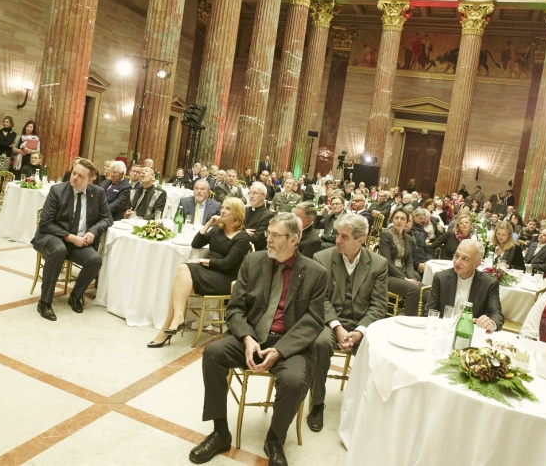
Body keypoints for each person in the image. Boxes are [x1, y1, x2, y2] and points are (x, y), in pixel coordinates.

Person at [188, 213, 327, 466]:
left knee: (295, 380)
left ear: (294, 240)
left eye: (276, 235)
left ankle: (274, 439)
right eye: (268, 233)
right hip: (251, 336)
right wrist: (248, 338)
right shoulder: (253, 261)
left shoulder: (315, 272)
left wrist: (280, 351)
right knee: (213, 353)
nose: (269, 240)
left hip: (289, 343)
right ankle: (220, 432)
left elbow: (314, 321)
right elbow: (235, 309)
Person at [307, 213, 388, 432]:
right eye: (337, 234)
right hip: (329, 322)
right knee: (320, 343)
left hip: (362, 323)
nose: (338, 240)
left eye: (345, 236)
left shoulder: (378, 264)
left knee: (379, 350)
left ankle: (367, 406)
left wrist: (360, 331)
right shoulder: (322, 259)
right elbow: (319, 300)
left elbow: (379, 305)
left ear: (360, 239)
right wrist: (337, 327)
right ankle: (316, 403)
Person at [148, 198, 251, 347]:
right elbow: (196, 243)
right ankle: (174, 321)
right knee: (181, 283)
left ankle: (169, 326)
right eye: (222, 207)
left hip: (225, 279)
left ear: (237, 213)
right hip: (208, 272)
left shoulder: (242, 237)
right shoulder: (218, 229)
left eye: (227, 209)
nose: (222, 211)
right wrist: (209, 224)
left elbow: (227, 264)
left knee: (183, 271)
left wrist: (201, 261)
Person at [31, 158, 112, 321]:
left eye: (80, 176)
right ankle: (45, 302)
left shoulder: (97, 193)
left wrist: (93, 231)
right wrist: (70, 237)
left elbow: (107, 218)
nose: (74, 177)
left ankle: (75, 295)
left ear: (90, 180)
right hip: (53, 236)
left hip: (80, 241)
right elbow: (45, 223)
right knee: (59, 250)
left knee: (95, 260)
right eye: (74, 173)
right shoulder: (57, 191)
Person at [425, 240, 504, 331]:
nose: (457, 262)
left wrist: (491, 323)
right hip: (442, 330)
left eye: (465, 259)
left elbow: (497, 316)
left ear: (477, 264)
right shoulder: (441, 278)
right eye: (457, 256)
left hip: (469, 333)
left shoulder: (489, 284)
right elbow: (429, 312)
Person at [379, 207, 422, 316]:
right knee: (414, 290)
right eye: (396, 218)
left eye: (402, 219)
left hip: (403, 275)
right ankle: (409, 321)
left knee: (426, 291)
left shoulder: (408, 238)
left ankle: (420, 319)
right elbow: (387, 262)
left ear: (407, 222)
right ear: (392, 219)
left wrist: (411, 277)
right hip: (388, 275)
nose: (399, 221)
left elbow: (409, 262)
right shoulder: (386, 235)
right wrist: (404, 278)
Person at [243, 182, 274, 251]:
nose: (251, 196)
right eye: (250, 193)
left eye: (255, 193)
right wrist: (244, 232)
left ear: (264, 196)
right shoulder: (245, 210)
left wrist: (240, 232)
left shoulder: (268, 215)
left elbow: (257, 239)